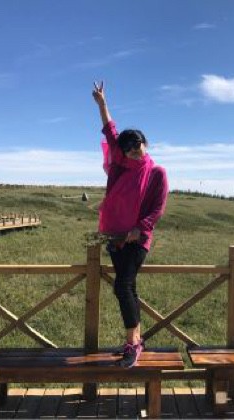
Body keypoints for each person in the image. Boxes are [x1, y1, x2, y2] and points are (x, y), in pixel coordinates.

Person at [92, 81, 168, 368]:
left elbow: (157, 208)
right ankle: (137, 339)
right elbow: (110, 131)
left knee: (122, 286)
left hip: (137, 239)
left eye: (137, 145)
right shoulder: (119, 165)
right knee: (129, 286)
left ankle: (132, 344)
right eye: (128, 148)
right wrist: (102, 104)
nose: (134, 150)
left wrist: (139, 229)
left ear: (145, 143)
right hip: (115, 235)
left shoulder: (157, 172)